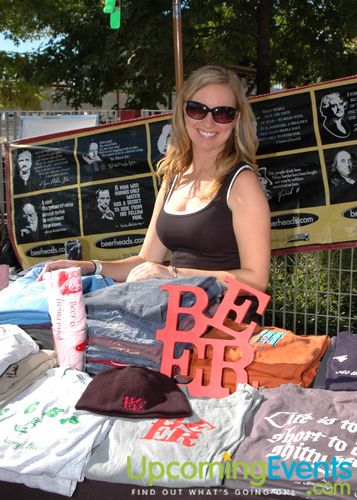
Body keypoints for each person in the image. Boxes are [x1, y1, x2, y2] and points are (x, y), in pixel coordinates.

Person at [39, 65, 271, 298]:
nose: (209, 122)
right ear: (182, 112)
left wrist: (174, 274)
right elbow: (147, 261)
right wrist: (90, 267)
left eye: (222, 113)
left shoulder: (242, 182)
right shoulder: (175, 176)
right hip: (169, 313)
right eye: (197, 109)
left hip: (222, 323)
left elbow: (255, 280)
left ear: (236, 120)